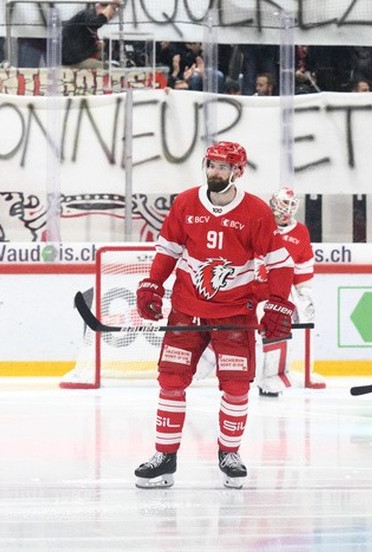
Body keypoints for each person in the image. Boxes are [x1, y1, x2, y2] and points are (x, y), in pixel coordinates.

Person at [132, 141, 295, 489]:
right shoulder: (186, 202)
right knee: (171, 381)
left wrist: (279, 302)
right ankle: (165, 458)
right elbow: (168, 249)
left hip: (236, 313)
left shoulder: (255, 212)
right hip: (187, 309)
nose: (215, 173)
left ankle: (229, 453)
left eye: (223, 167)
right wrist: (152, 284)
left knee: (236, 388)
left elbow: (279, 260)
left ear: (237, 172)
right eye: (211, 165)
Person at [258, 187, 315, 398]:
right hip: (252, 286)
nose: (287, 210)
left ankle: (272, 377)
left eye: (291, 205)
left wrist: (304, 293)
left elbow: (303, 264)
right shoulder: (260, 224)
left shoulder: (300, 232)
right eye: (284, 204)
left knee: (278, 329)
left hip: (280, 292)